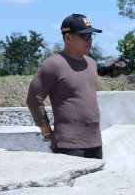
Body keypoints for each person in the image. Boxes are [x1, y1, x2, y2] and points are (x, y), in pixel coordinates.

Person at [26, 13, 103, 159]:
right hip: (69, 145)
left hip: (95, 142)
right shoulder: (53, 64)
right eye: (84, 36)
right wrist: (45, 129)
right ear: (68, 37)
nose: (89, 40)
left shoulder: (91, 64)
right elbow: (33, 99)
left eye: (91, 36)